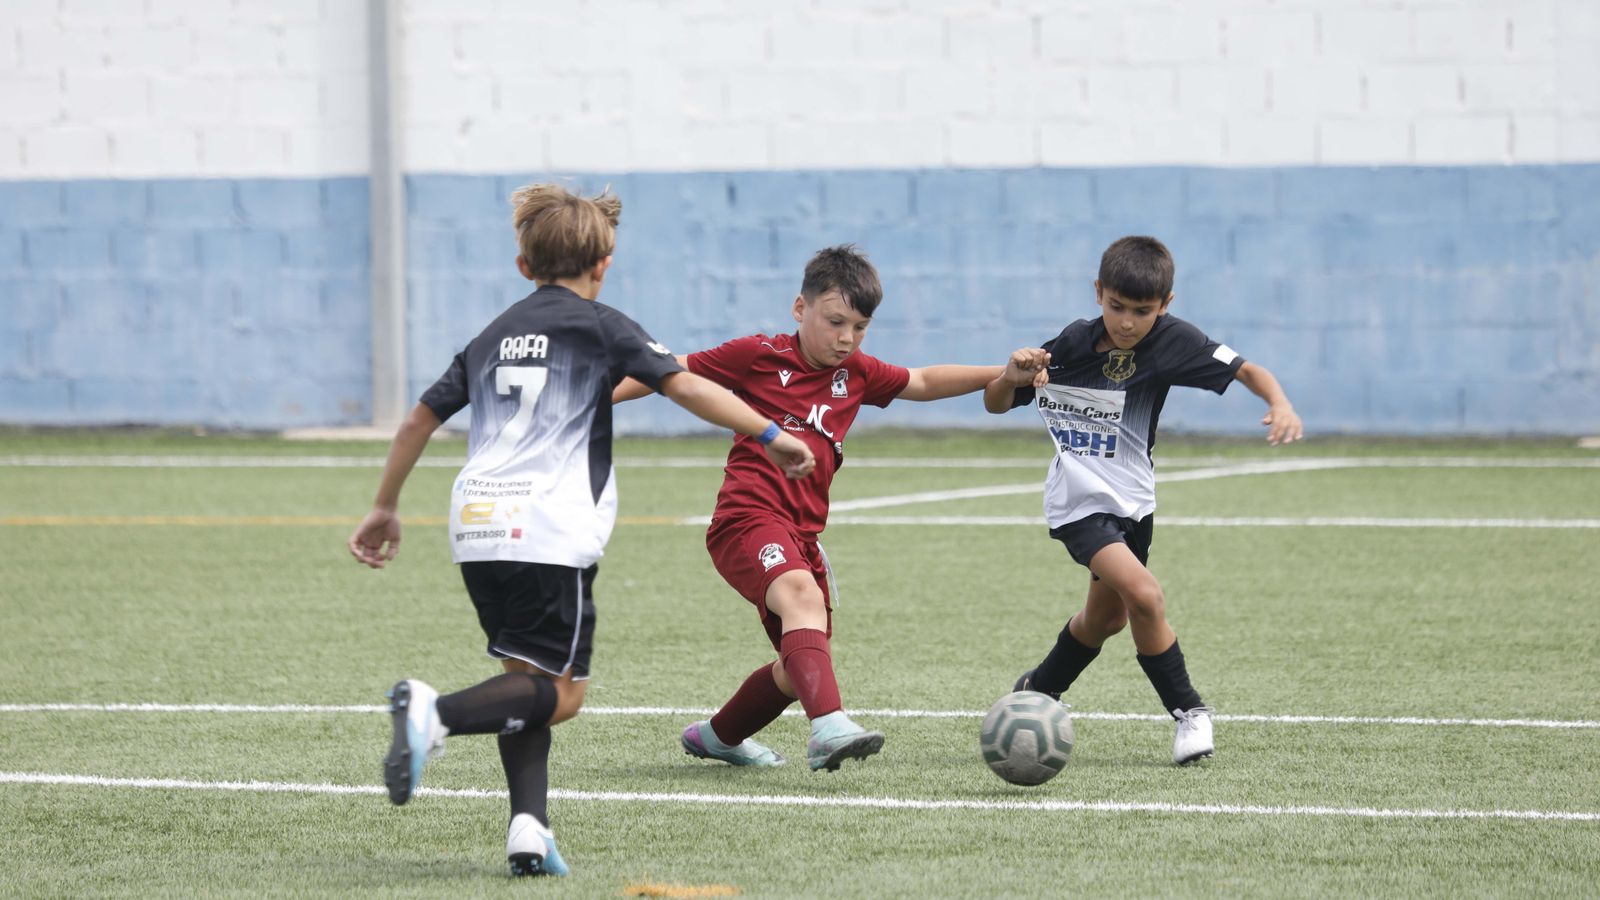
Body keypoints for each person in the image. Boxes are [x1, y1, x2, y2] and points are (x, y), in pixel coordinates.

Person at [347, 183, 815, 878]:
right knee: (561, 694)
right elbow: (683, 383)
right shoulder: (602, 325)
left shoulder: (491, 334)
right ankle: (433, 713)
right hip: (547, 526)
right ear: (603, 264)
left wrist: (385, 505)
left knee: (524, 677)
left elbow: (420, 418)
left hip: (475, 521)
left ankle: (528, 830)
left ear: (522, 265)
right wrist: (770, 430)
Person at [614, 245, 1002, 772]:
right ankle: (828, 728)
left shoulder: (857, 373)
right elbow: (666, 371)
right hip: (746, 520)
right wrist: (593, 399)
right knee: (800, 600)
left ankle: (718, 736)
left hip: (803, 536)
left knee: (798, 665)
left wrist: (1002, 372)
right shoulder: (758, 354)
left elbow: (924, 381)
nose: (846, 338)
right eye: (835, 321)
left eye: (860, 327)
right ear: (801, 309)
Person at [982, 235, 1303, 765]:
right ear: (1098, 293)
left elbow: (1247, 369)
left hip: (1134, 504)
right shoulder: (1071, 344)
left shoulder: (1174, 342)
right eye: (1116, 307)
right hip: (1079, 504)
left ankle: (1037, 690)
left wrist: (1280, 402)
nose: (1127, 322)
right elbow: (997, 403)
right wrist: (1009, 375)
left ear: (1166, 305)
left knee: (1103, 621)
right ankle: (1189, 713)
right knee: (1146, 597)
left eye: (1142, 311)